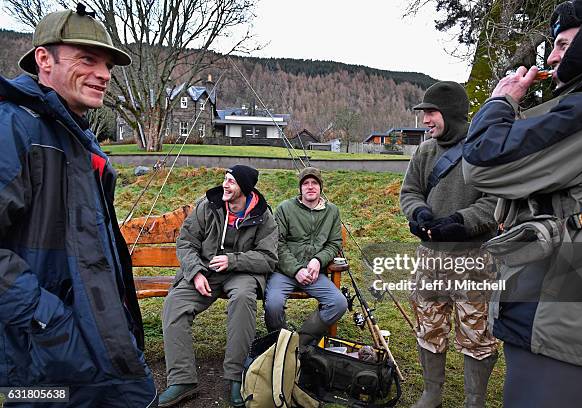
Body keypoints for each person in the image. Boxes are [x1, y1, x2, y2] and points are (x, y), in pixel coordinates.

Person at [0, 4, 157, 407]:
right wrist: (47, 319)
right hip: (47, 360)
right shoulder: (14, 127)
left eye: (107, 64)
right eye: (87, 59)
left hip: (102, 341)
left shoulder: (77, 138)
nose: (104, 74)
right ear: (43, 59)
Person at [463, 0, 582, 406]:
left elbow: (482, 162)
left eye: (564, 44)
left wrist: (500, 101)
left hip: (566, 308)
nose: (552, 56)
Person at [400, 81, 499, 408]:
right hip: (430, 259)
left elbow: (496, 200)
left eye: (431, 112)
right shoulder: (425, 151)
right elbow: (409, 192)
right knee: (429, 326)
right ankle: (432, 395)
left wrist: (460, 222)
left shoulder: (484, 147)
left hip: (475, 260)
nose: (425, 119)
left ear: (452, 113)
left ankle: (475, 400)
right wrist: (419, 213)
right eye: (424, 112)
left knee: (477, 334)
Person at [159, 165, 278, 408]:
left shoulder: (263, 215)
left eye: (231, 181)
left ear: (244, 188)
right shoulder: (207, 206)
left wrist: (234, 260)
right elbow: (186, 242)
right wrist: (195, 273)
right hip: (206, 269)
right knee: (174, 304)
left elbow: (268, 257)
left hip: (242, 271)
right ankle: (182, 380)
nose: (225, 185)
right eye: (225, 179)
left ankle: (236, 377)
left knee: (244, 300)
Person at [264, 167, 348, 347]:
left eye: (314, 183)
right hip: (284, 272)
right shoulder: (285, 208)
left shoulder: (332, 211)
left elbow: (334, 243)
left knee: (339, 303)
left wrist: (318, 260)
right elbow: (277, 243)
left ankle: (300, 342)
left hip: (314, 274)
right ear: (300, 188)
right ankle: (280, 342)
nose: (310, 187)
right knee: (273, 305)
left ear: (320, 187)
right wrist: (296, 270)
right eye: (306, 183)